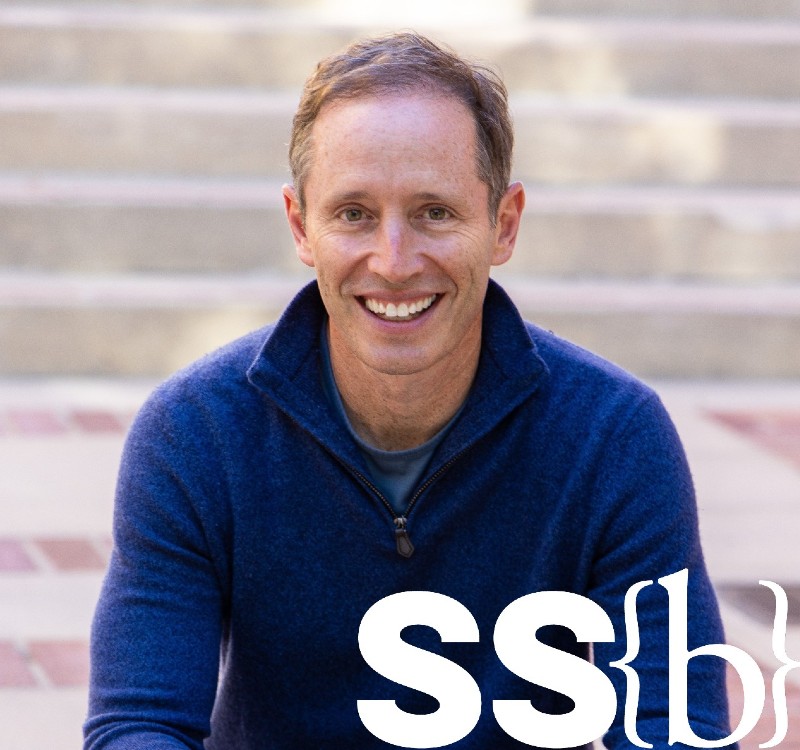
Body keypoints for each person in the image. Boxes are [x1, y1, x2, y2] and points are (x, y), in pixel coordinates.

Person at [84, 32, 733, 749]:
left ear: (504, 224)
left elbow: (671, 725)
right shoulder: (195, 434)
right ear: (302, 225)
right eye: (354, 213)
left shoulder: (613, 437)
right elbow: (137, 725)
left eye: (435, 213)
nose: (393, 262)